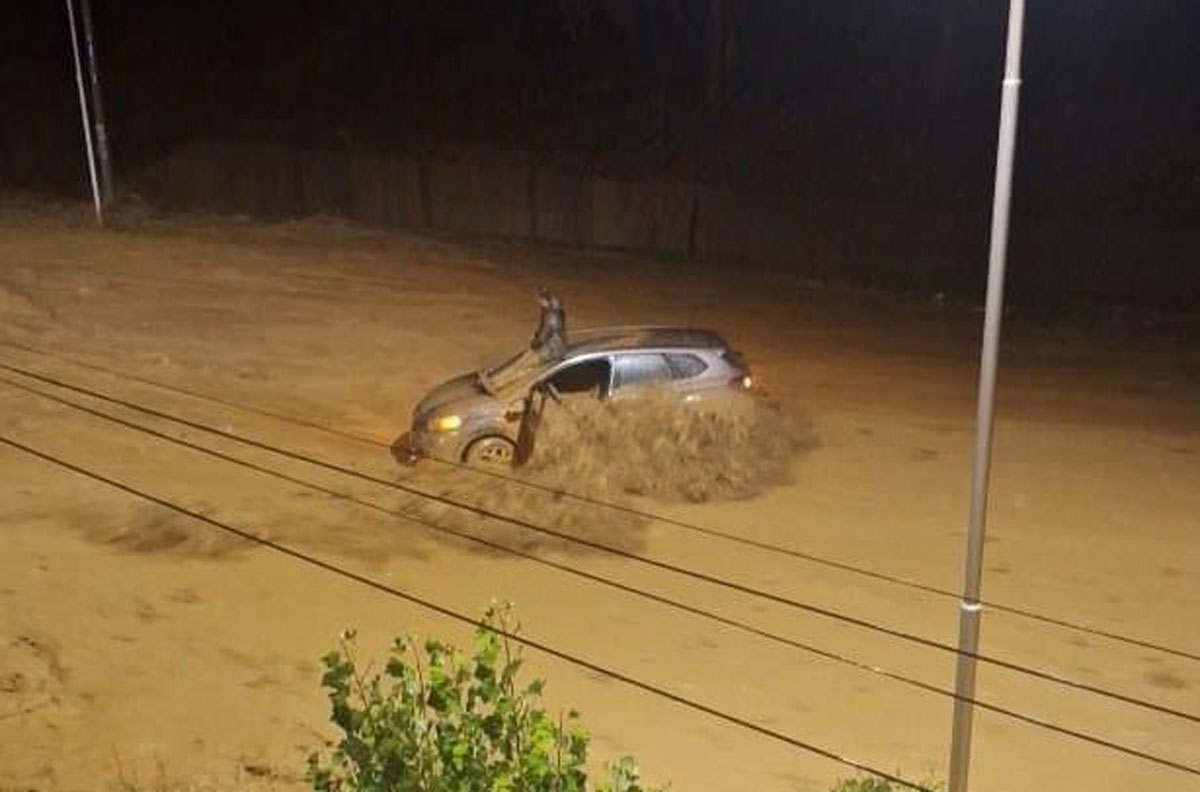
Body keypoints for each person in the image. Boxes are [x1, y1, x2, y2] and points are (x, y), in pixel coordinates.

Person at [530, 287, 566, 360]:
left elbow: (543, 318)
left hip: (553, 325)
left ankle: (554, 357)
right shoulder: (553, 303)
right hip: (554, 325)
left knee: (551, 343)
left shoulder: (549, 304)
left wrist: (539, 334)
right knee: (554, 342)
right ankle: (556, 355)